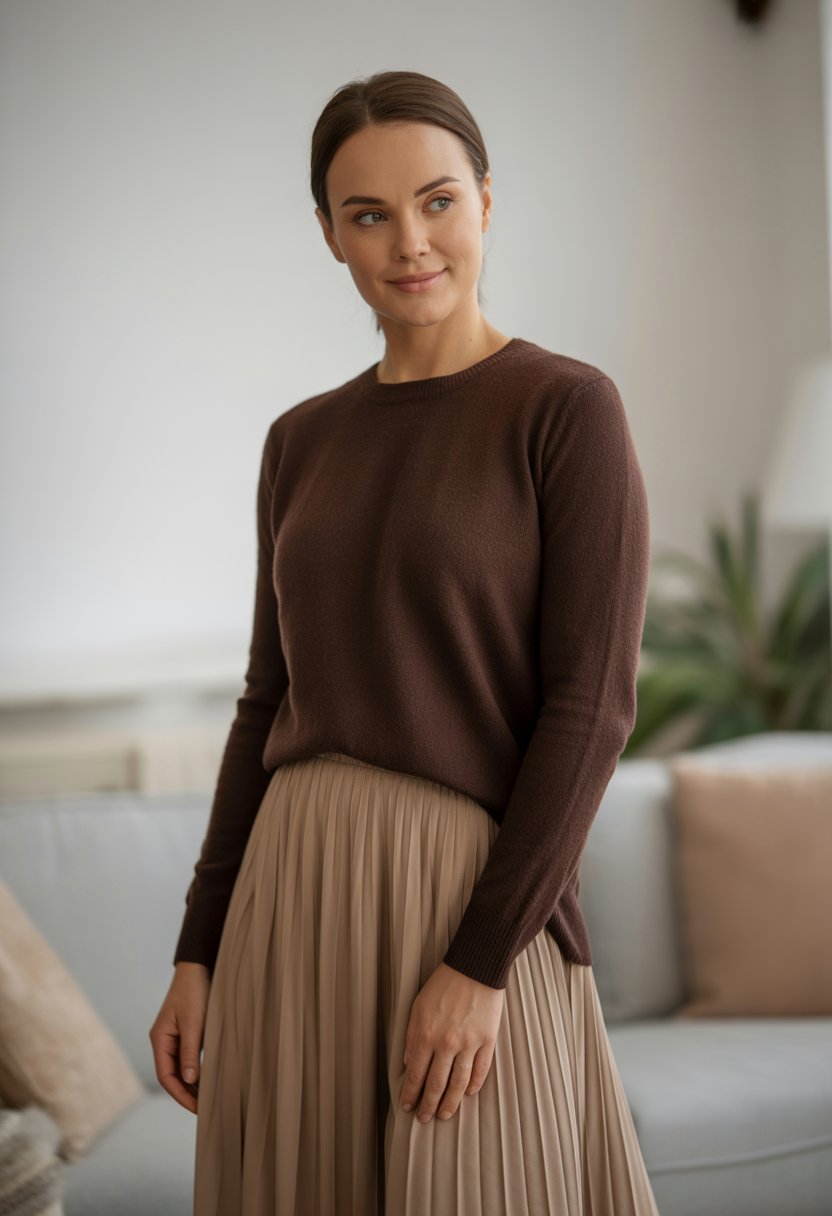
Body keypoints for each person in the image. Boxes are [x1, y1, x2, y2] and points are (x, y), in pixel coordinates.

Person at [149, 69, 661, 1216]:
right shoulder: (299, 440)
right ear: (329, 236)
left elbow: (590, 709)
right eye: (367, 214)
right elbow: (262, 703)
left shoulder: (565, 409)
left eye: (436, 201)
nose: (408, 242)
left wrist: (479, 961)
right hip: (290, 895)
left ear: (485, 200)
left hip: (465, 902)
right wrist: (201, 950)